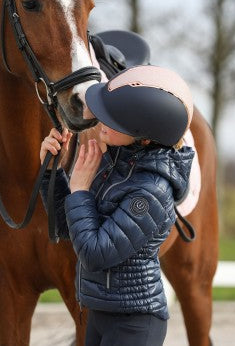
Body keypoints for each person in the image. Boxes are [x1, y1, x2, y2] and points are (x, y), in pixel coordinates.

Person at [40, 65, 195, 346]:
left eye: (114, 119)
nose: (101, 120)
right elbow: (68, 227)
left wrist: (80, 190)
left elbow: (95, 253)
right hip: (100, 311)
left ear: (144, 136)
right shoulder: (115, 164)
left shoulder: (151, 193)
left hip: (134, 323)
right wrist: (53, 171)